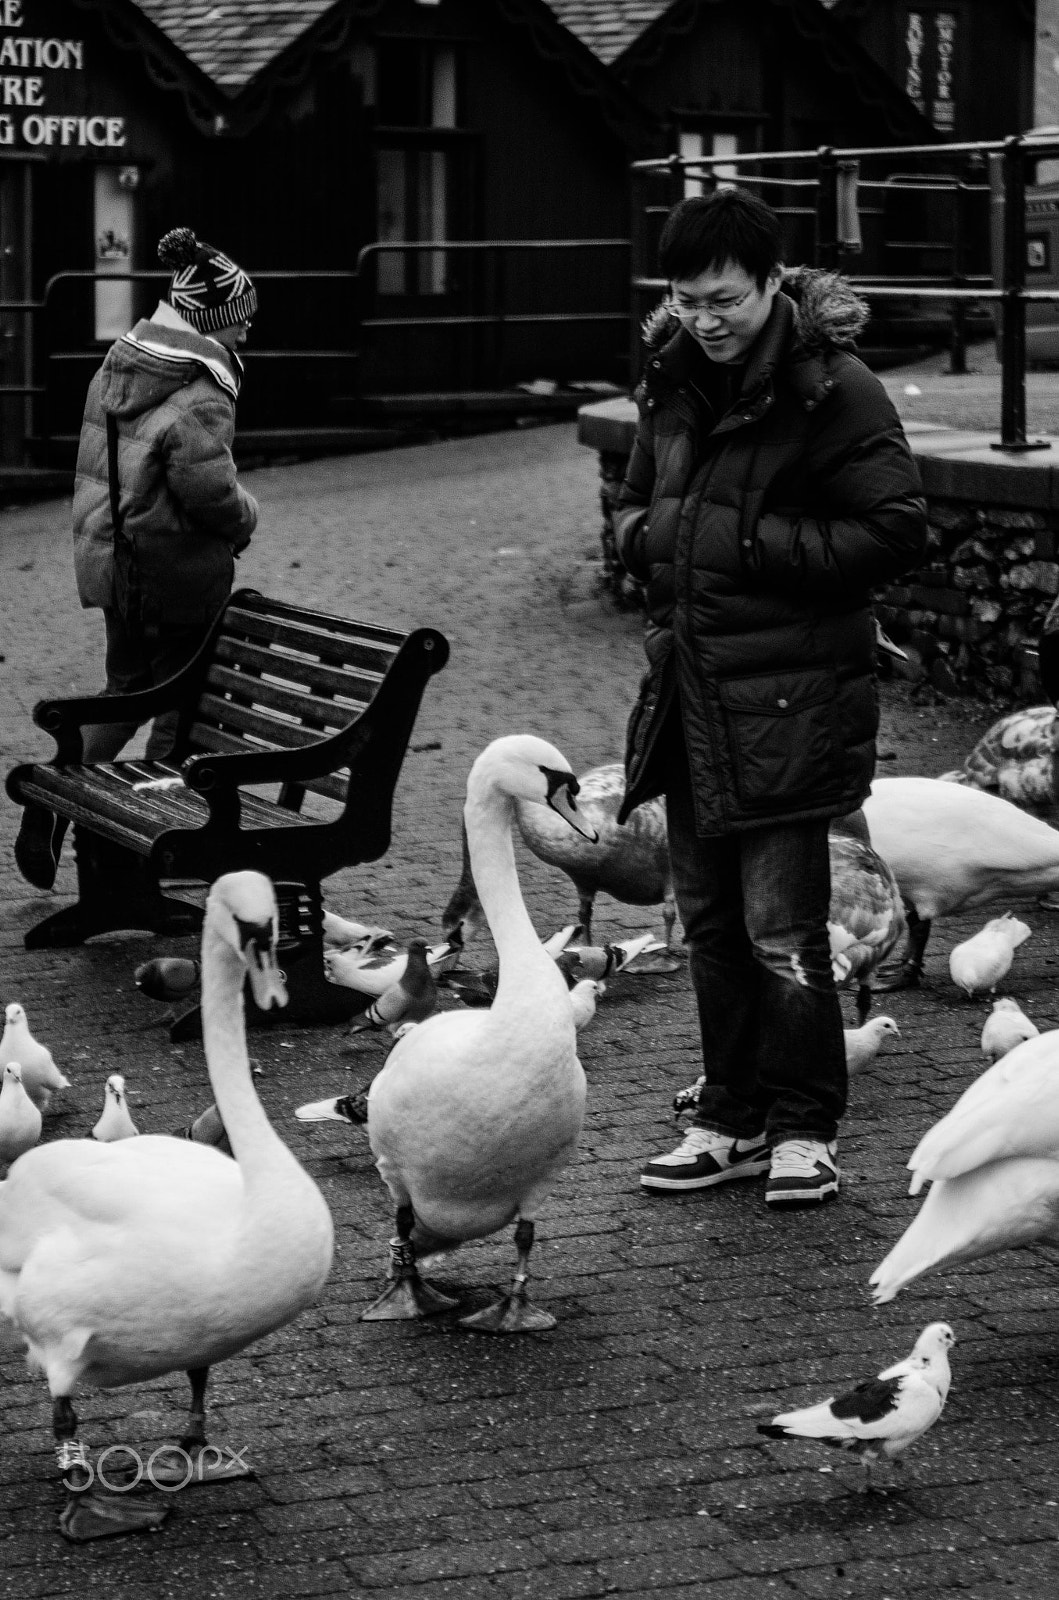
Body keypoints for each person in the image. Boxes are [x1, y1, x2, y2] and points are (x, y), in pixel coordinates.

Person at [617, 189, 927, 1207]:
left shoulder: (831, 389)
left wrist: (753, 546)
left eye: (726, 300)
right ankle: (730, 1117)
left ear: (769, 284)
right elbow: (637, 500)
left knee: (784, 933)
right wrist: (636, 545)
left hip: (793, 703)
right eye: (687, 299)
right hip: (691, 697)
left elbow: (893, 535)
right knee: (706, 926)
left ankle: (805, 1130)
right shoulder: (668, 379)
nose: (706, 320)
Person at [14, 226, 259, 891]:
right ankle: (161, 843)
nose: (243, 335)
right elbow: (209, 492)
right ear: (213, 320)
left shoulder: (121, 364)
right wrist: (248, 515)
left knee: (127, 691)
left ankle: (53, 794)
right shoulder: (201, 390)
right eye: (238, 322)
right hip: (177, 573)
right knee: (184, 703)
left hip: (116, 561)